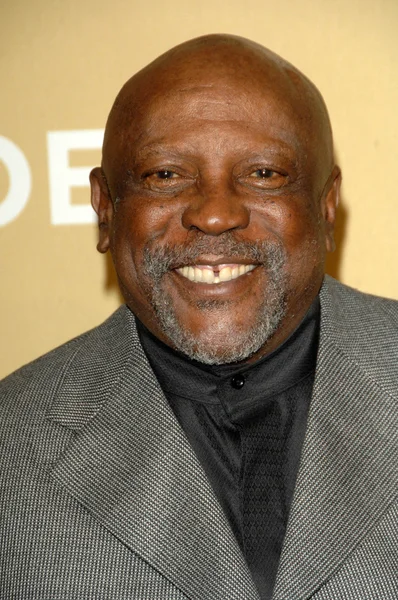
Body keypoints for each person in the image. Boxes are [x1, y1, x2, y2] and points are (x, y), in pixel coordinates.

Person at [1, 34, 397, 600]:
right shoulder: (11, 444)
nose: (214, 215)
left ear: (327, 204)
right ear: (105, 208)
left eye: (264, 173)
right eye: (166, 175)